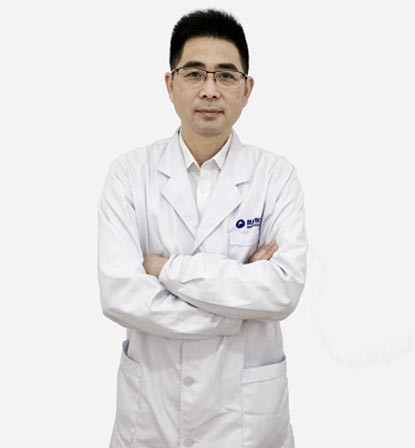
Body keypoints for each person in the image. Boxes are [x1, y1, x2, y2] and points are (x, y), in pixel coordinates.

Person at [97, 8, 307, 448]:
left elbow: (283, 289)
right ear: (170, 84)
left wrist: (167, 270)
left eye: (226, 76)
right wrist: (236, 308)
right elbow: (120, 295)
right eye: (194, 73)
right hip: (151, 416)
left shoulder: (276, 176)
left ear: (247, 89)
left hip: (247, 424)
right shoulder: (129, 174)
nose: (210, 90)